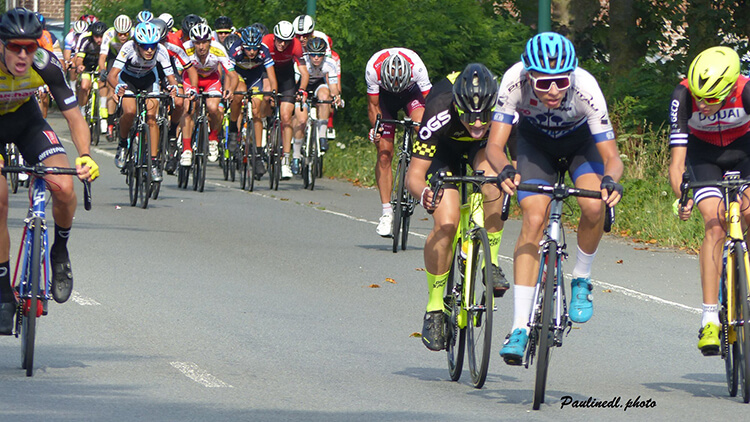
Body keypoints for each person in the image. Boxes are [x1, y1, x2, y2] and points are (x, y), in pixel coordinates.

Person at [487, 32, 623, 364]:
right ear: (528, 74)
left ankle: (581, 277)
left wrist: (611, 181)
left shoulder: (586, 88)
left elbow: (613, 157)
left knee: (593, 205)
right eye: (543, 82)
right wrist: (504, 168)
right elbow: (494, 145)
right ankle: (519, 326)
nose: (552, 90)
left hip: (580, 146)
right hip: (535, 147)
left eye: (560, 82)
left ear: (571, 76)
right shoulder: (512, 81)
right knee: (533, 218)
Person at [0, 8, 99, 334]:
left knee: (64, 186)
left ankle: (59, 249)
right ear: (3, 44)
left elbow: (73, 115)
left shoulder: (45, 62)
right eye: (16, 46)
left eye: (30, 46)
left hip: (27, 122)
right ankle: (2, 286)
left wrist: (84, 155)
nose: (23, 54)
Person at [405, 64, 510, 350]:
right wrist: (424, 192)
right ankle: (435, 307)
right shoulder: (438, 109)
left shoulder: (502, 109)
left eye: (483, 118)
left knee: (493, 182)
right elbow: (413, 176)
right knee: (448, 222)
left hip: (484, 150)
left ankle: (493, 263)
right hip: (444, 152)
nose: (477, 125)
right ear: (458, 107)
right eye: (470, 118)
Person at [668, 46, 750, 356]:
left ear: (730, 89)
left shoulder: (746, 90)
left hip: (745, 152)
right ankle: (710, 318)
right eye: (699, 97)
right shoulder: (683, 96)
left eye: (712, 99)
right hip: (704, 158)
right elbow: (677, 164)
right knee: (715, 225)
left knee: (748, 212)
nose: (702, 105)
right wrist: (682, 197)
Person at [365, 47, 431, 236]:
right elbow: (374, 105)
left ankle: (419, 170)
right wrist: (376, 130)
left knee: (423, 127)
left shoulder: (417, 67)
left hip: (412, 95)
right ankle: (386, 213)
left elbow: (432, 102)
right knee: (384, 154)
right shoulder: (373, 68)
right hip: (385, 100)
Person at [108, 21, 178, 182]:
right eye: (145, 46)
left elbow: (171, 79)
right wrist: (117, 87)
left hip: (148, 79)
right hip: (128, 80)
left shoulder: (161, 51)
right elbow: (112, 75)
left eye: (152, 45)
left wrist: (174, 89)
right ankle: (123, 144)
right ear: (137, 44)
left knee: (152, 118)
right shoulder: (128, 48)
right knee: (130, 111)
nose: (149, 50)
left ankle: (153, 163)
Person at [181, 22, 238, 165]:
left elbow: (232, 74)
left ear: (210, 41)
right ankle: (186, 149)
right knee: (188, 107)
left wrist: (230, 89)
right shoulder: (185, 49)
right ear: (192, 42)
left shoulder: (218, 49)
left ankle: (213, 138)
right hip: (189, 79)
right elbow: (175, 71)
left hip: (211, 80)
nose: (201, 47)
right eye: (198, 43)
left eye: (205, 42)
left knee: (214, 108)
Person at [262, 21, 308, 179]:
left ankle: (285, 160)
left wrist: (301, 89)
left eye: (286, 41)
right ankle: (263, 125)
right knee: (267, 93)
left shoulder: (295, 46)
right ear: (274, 37)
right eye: (279, 40)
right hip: (267, 72)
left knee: (286, 117)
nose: (282, 44)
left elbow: (304, 72)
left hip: (286, 76)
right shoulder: (266, 42)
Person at [228, 26, 277, 176]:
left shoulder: (264, 51)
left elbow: (271, 76)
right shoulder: (235, 49)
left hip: (255, 77)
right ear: (242, 45)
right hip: (239, 76)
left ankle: (257, 155)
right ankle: (232, 129)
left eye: (254, 49)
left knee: (256, 112)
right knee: (238, 94)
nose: (251, 52)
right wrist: (229, 91)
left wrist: (273, 94)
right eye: (248, 49)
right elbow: (229, 74)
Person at [303, 37, 340, 153]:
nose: (316, 58)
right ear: (308, 54)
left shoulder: (330, 63)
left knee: (325, 96)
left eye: (319, 55)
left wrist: (336, 97)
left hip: (318, 84)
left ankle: (322, 135)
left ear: (324, 54)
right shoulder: (302, 61)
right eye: (313, 55)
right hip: (302, 85)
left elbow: (333, 86)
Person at [98, 15, 133, 136]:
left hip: (128, 59)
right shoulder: (108, 34)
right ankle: (110, 121)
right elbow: (102, 56)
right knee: (112, 86)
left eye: (125, 34)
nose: (123, 36)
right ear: (115, 32)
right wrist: (103, 70)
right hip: (114, 58)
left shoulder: (134, 34)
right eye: (120, 34)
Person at [74, 21, 107, 108]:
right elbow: (79, 58)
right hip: (87, 63)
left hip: (100, 63)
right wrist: (80, 65)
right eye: (96, 37)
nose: (99, 40)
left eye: (101, 36)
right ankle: (82, 109)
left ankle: (102, 110)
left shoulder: (108, 40)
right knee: (84, 86)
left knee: (102, 83)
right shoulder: (85, 39)